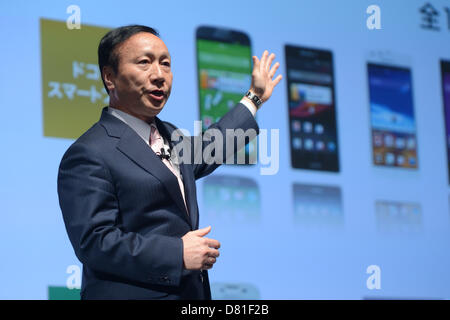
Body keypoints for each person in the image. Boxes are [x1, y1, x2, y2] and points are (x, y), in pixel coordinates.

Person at [57, 25, 282, 300]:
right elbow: (94, 242)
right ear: (109, 77)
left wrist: (254, 98)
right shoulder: (89, 152)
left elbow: (213, 147)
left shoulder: (171, 135)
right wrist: (177, 253)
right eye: (144, 63)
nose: (159, 75)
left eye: (166, 64)